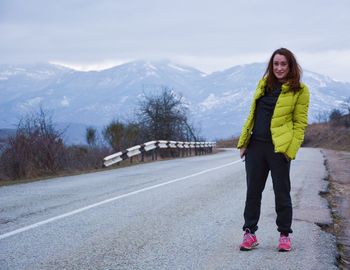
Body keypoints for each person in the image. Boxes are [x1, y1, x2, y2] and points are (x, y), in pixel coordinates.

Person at [237, 48, 310, 252]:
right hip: (255, 147)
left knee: (282, 193)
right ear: (271, 66)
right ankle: (249, 233)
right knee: (253, 192)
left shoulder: (300, 90)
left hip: (279, 149)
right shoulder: (263, 85)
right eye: (276, 64)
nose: (279, 68)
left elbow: (300, 124)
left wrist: (290, 150)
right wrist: (244, 142)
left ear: (290, 66)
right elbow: (252, 114)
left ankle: (284, 235)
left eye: (283, 64)